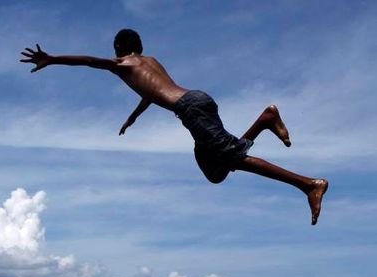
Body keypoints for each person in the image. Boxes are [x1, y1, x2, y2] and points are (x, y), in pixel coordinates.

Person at [20, 29, 329, 225]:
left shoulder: (122, 64)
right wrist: (134, 118)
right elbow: (155, 92)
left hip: (190, 110)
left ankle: (308, 184)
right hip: (198, 100)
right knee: (216, 171)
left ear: (118, 48)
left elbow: (89, 61)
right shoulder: (150, 61)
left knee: (232, 160)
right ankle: (263, 121)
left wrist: (53, 58)